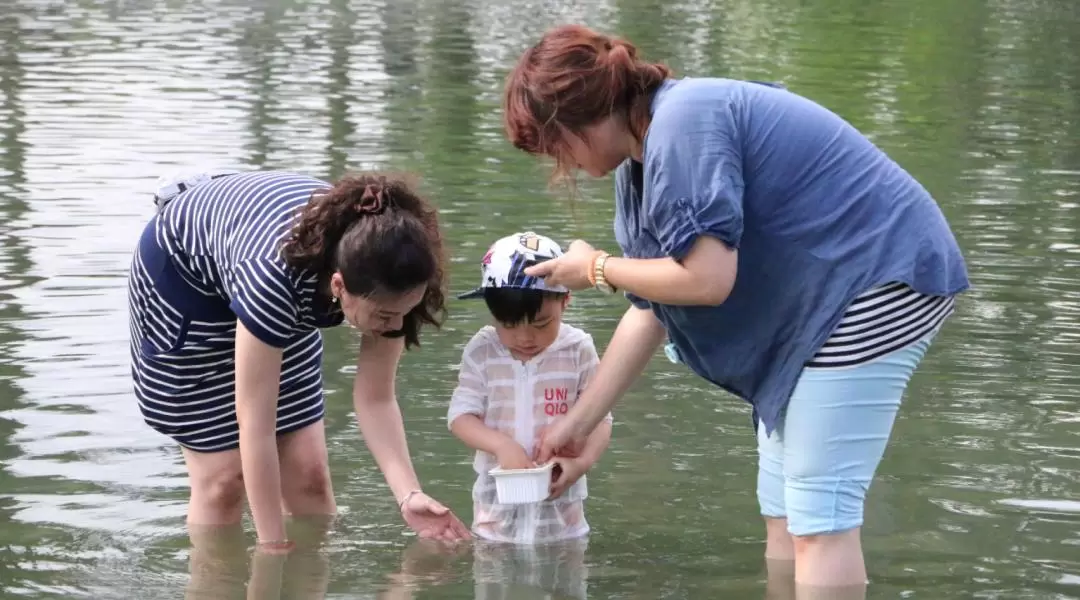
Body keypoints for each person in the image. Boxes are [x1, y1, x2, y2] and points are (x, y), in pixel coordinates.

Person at [500, 24, 970, 592]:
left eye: (554, 145)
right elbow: (652, 307)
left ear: (579, 114)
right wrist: (575, 425)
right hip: (812, 313)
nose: (560, 164)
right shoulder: (640, 165)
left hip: (875, 281)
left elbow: (706, 280)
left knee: (820, 520)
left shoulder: (684, 121)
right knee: (784, 512)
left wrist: (595, 267)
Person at [128, 169, 471, 553]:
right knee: (224, 482)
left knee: (309, 475)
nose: (394, 326)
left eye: (403, 314)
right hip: (185, 287)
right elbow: (255, 423)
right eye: (384, 316)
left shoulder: (401, 280)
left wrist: (409, 495)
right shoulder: (275, 283)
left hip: (281, 273)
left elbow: (375, 398)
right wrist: (272, 548)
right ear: (340, 287)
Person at [446, 231, 612, 545]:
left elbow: (602, 419)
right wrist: (500, 445)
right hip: (495, 514)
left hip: (563, 516)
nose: (524, 338)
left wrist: (580, 464)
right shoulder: (483, 350)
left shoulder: (577, 349)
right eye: (508, 325)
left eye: (540, 324)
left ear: (565, 301)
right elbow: (461, 417)